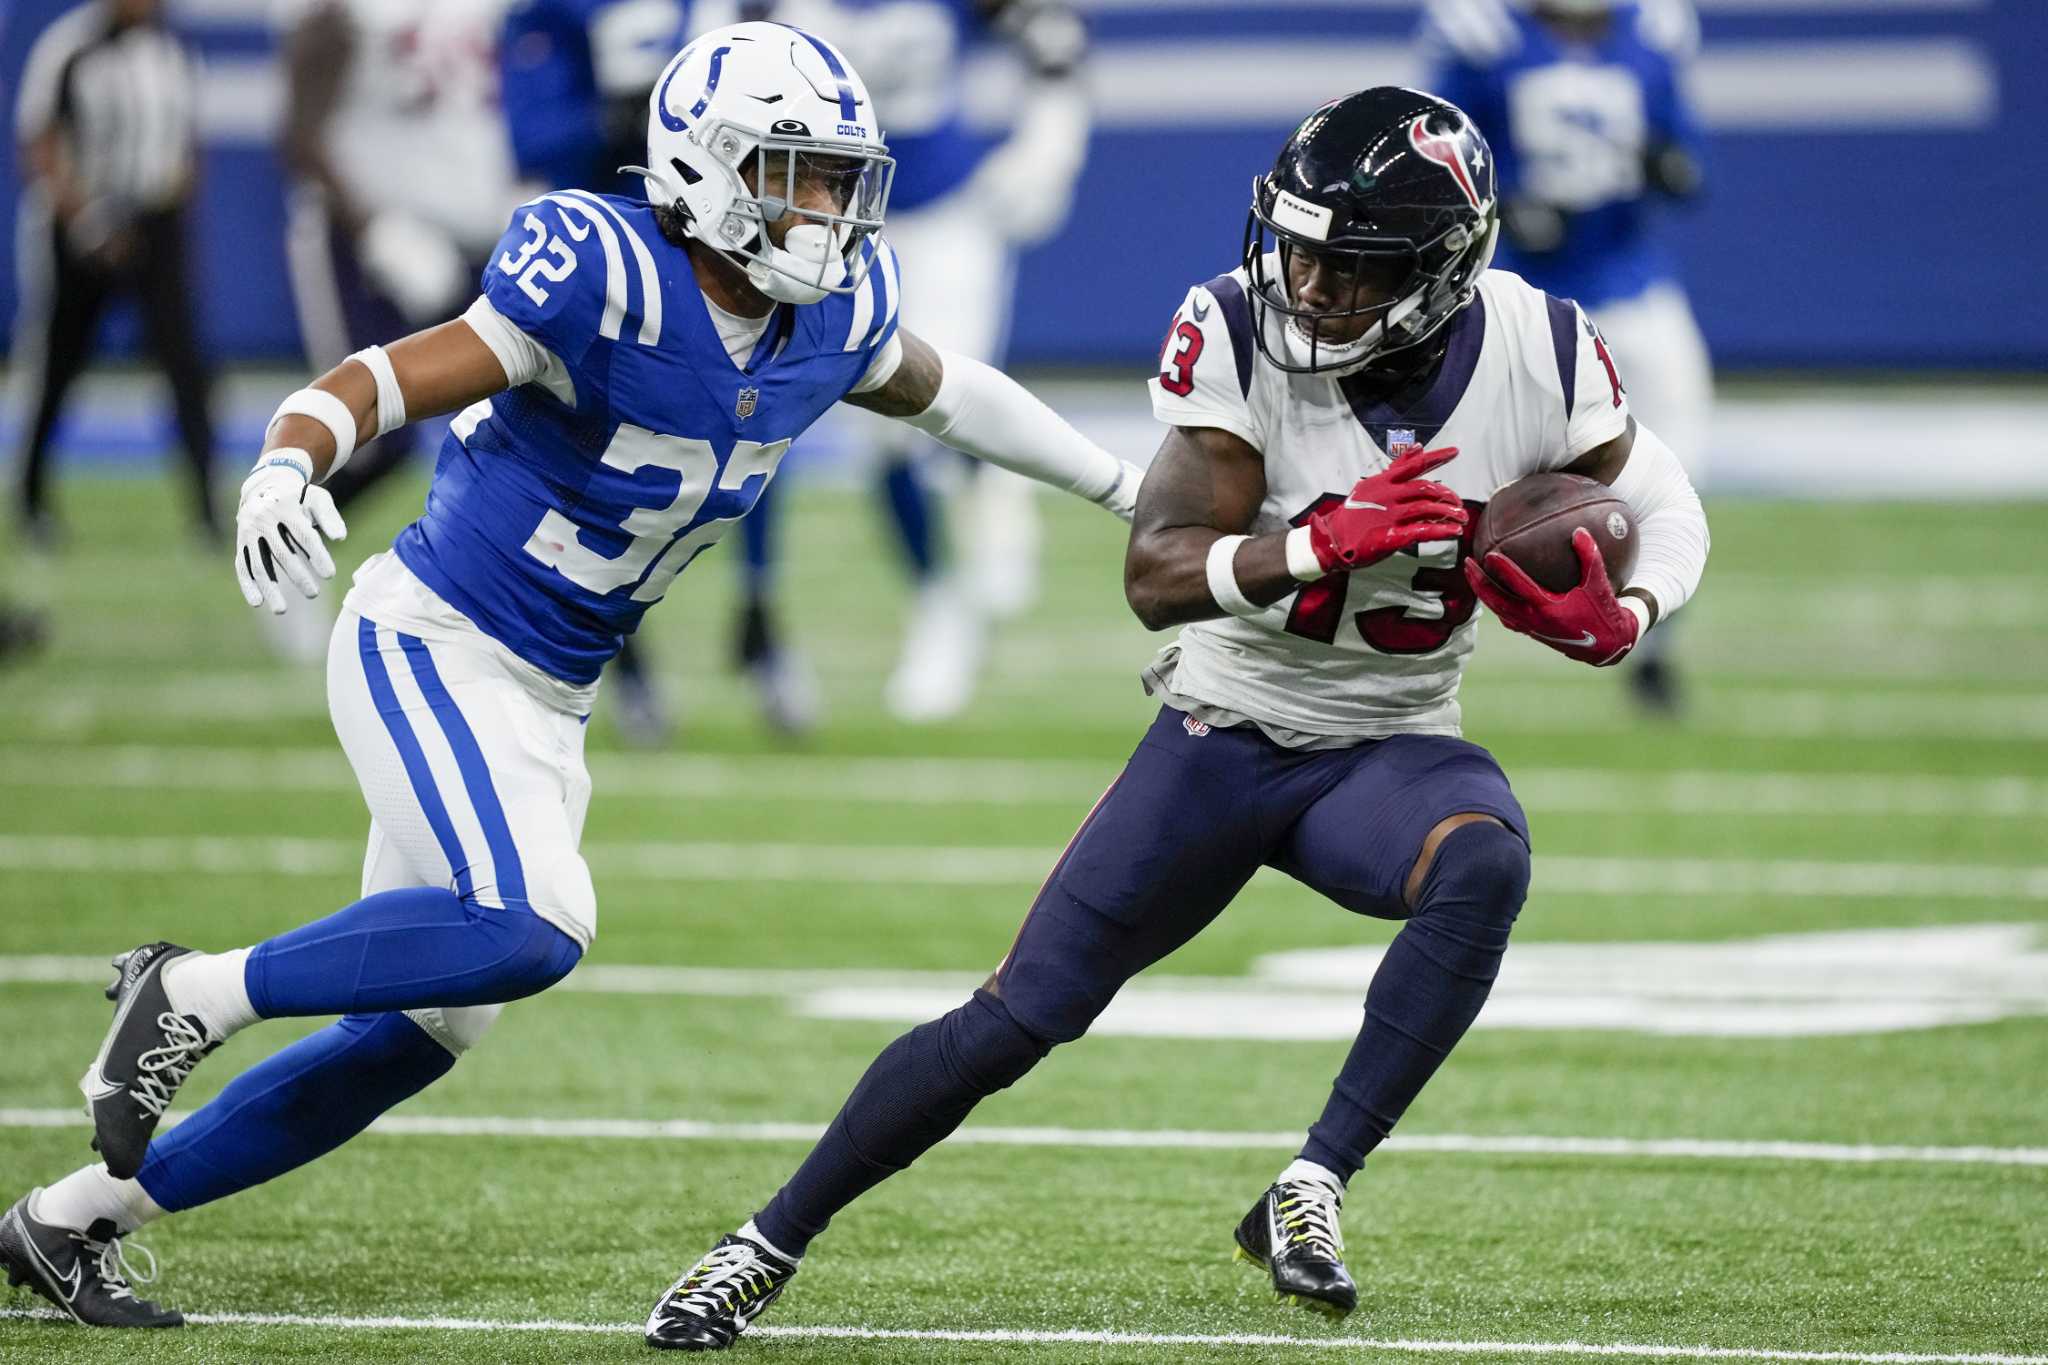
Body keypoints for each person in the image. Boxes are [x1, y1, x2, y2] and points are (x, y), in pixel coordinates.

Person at [0, 22, 1140, 1329]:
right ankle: (188, 991)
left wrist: (1121, 485)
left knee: (415, 1034)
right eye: (795, 174)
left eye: (836, 178)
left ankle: (71, 1218)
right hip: (431, 642)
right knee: (532, 925)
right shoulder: (600, 267)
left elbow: (955, 394)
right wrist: (287, 460)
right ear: (706, 171)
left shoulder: (833, 316)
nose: (824, 209)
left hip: (548, 699)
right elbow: (388, 376)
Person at [643, 86, 1709, 1351]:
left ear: (1440, 272)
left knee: (1483, 858)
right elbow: (1156, 574)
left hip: (1391, 740)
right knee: (1013, 1020)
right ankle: (761, 1244)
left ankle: (1312, 1179)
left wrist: (1629, 612)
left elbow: (1667, 501)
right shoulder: (1235, 329)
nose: (1305, 284)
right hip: (1225, 730)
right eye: (1297, 248)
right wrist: (1317, 542)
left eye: (1346, 266)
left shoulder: (1542, 343)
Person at [689, 0, 1093, 726]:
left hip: (943, 213)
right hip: (821, 220)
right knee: (882, 430)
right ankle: (939, 597)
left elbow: (1052, 35)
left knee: (945, 392)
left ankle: (989, 487)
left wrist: (1051, 140)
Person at [1421, 0, 1710, 711]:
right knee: (1465, 469)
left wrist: (1671, 164)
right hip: (1524, 292)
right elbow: (1438, 158)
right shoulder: (1480, 36)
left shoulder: (1654, 32)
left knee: (1679, 462)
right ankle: (1434, 634)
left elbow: (1686, 155)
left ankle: (1655, 638)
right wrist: (1503, 206)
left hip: (1631, 283)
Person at [267, 0, 526, 662]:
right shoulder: (347, 12)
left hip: (475, 236)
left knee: (520, 425)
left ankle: (489, 604)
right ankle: (281, 544)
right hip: (371, 243)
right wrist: (376, 229)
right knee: (373, 439)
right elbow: (299, 130)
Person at [499, 0, 688, 741]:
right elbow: (531, 138)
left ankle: (763, 615)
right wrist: (612, 119)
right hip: (597, 265)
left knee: (754, 430)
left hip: (708, 254)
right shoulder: (547, 17)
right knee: (593, 463)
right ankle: (619, 663)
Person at [10, 0, 217, 547]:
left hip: (154, 222)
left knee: (186, 366)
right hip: (83, 222)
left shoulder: (172, 46)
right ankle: (30, 502)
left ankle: (209, 510)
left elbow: (185, 142)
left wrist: (171, 217)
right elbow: (40, 139)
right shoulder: (69, 46)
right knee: (57, 364)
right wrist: (84, 216)